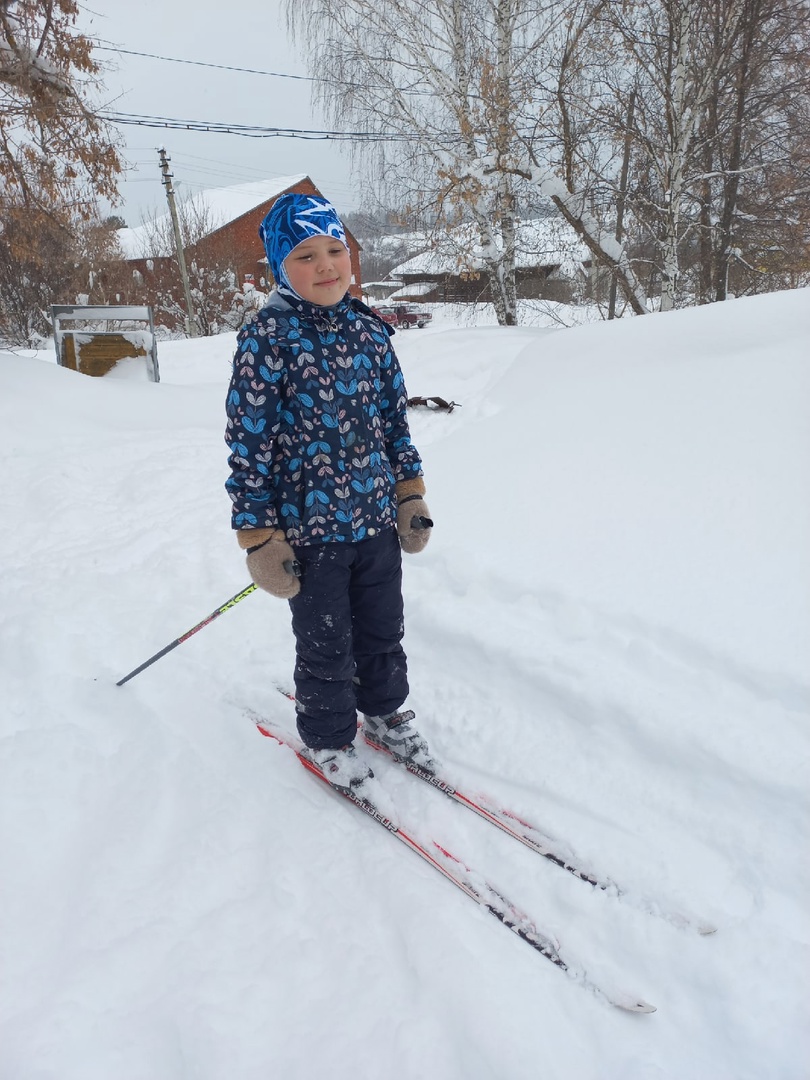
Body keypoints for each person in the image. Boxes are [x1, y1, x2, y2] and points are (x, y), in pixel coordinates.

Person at [225, 192, 436, 803]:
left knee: (381, 629)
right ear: (279, 268)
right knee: (326, 641)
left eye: (335, 250)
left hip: (373, 523)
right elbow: (249, 444)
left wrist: (408, 495)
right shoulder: (268, 337)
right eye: (306, 255)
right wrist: (260, 535)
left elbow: (394, 424)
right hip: (308, 531)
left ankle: (385, 714)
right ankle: (328, 738)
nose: (326, 265)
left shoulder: (371, 332)